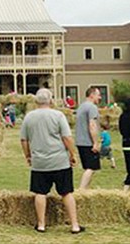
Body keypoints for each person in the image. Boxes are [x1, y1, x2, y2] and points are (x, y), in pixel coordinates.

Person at [20, 89, 83, 234]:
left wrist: (28, 156)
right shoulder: (58, 115)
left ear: (36, 101)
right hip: (59, 160)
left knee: (40, 193)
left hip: (39, 162)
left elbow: (24, 140)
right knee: (66, 193)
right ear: (51, 100)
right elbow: (66, 137)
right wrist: (73, 154)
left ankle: (41, 224)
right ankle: (74, 225)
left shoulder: (29, 117)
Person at [75, 87, 102, 190]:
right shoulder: (92, 107)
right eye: (98, 95)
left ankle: (86, 191)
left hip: (80, 141)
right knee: (91, 168)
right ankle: (81, 190)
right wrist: (95, 142)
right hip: (88, 142)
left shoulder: (81, 107)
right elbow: (92, 125)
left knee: (88, 168)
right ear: (92, 95)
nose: (99, 97)